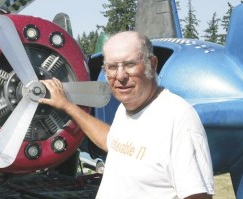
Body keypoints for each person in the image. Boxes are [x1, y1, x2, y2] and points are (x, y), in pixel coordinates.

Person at [39, 31, 215, 199]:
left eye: (130, 64)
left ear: (152, 64)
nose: (120, 76)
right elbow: (113, 142)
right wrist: (67, 106)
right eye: (112, 67)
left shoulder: (178, 118)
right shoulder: (127, 107)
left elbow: (198, 195)